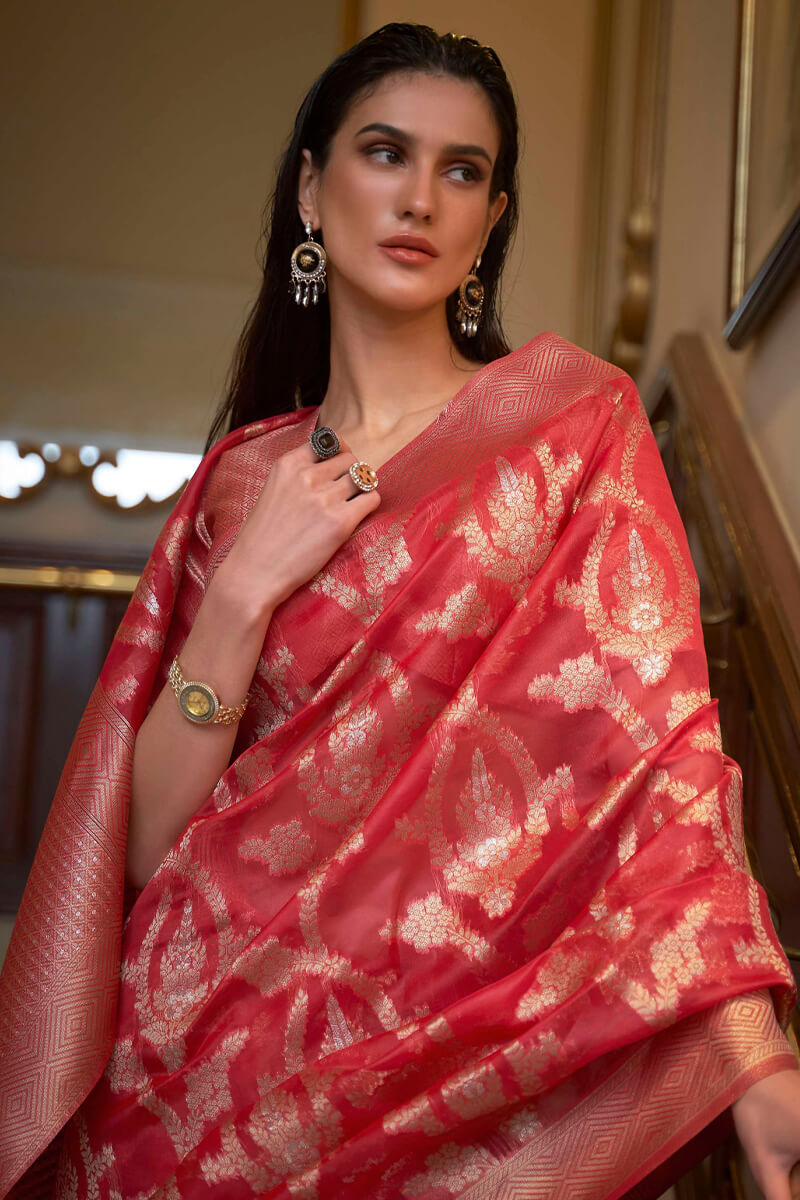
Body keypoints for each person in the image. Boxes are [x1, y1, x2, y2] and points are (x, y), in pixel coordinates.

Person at [0, 21, 798, 1200]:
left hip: (450, 1077)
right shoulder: (238, 486)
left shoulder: (572, 436)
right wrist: (243, 590)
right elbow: (149, 847)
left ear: (490, 217)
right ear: (310, 192)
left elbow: (660, 767)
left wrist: (747, 1048)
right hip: (188, 1087)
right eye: (384, 153)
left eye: (459, 170)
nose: (419, 197)